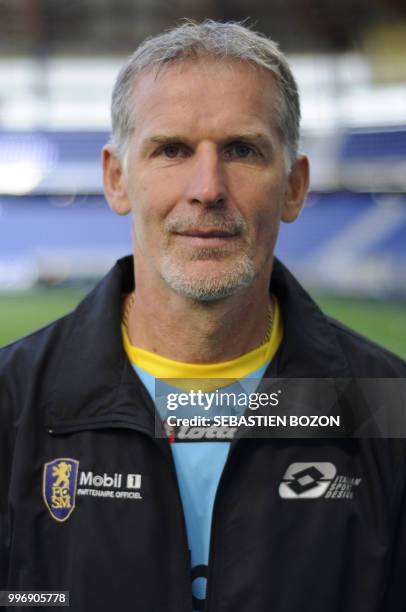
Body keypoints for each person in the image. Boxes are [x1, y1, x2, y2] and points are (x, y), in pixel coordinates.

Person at [1, 19, 405, 612]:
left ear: (294, 187)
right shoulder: (12, 403)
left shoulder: (389, 409)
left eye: (242, 151)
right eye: (172, 150)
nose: (208, 188)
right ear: (117, 180)